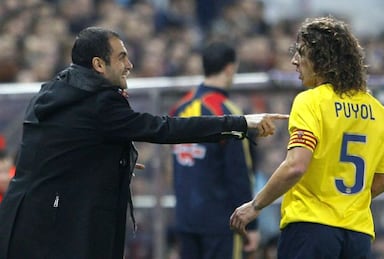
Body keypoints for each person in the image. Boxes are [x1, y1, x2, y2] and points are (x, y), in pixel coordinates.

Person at [0, 27, 289, 259]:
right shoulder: (101, 103)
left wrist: (107, 155)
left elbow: (57, 148)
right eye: (122, 57)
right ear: (99, 65)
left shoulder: (52, 91)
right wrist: (240, 122)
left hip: (26, 220)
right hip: (61, 228)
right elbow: (164, 129)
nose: (130, 64)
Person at [230, 16, 384, 259]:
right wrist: (343, 204)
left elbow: (296, 165)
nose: (294, 61)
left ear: (323, 60)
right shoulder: (379, 112)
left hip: (311, 231)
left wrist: (255, 206)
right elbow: (382, 182)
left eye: (302, 53)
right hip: (358, 236)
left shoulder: (311, 101)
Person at [169, 41, 260, 259]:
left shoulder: (180, 107)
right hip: (222, 222)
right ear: (230, 68)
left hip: (186, 218)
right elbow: (239, 172)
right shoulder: (228, 113)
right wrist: (252, 223)